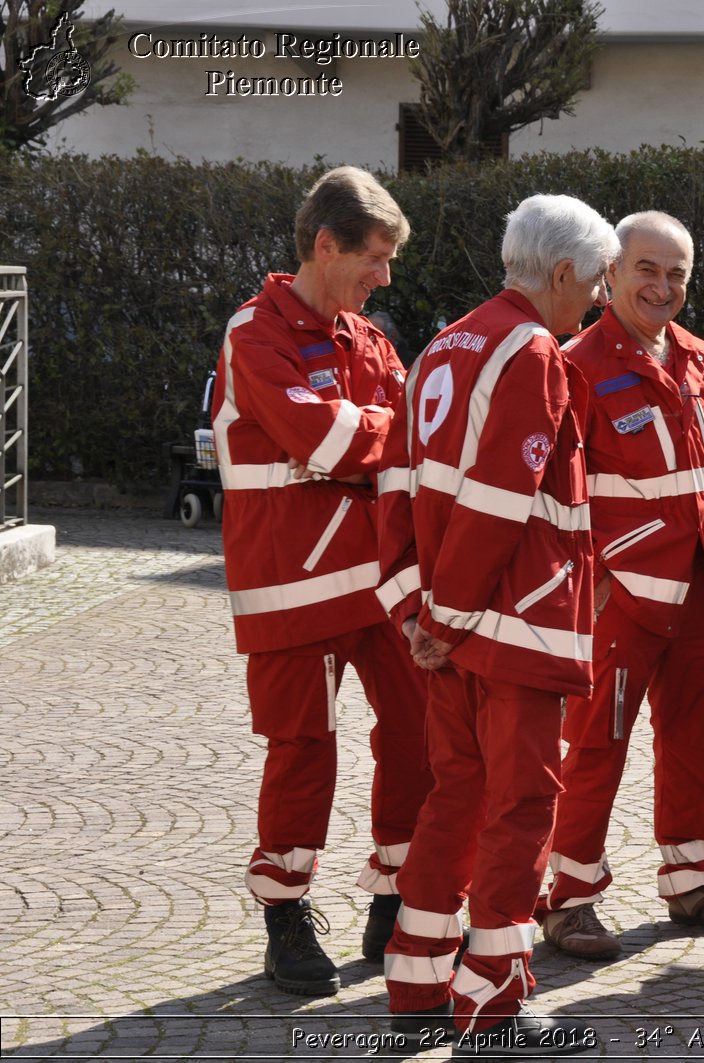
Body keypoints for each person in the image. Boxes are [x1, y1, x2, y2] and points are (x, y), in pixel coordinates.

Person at [375, 194, 618, 1057]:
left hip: (454, 627)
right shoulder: (535, 352)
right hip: (514, 626)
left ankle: (418, 979)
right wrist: (446, 612)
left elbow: (396, 486)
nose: (597, 299)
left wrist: (415, 609)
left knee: (454, 798)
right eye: (594, 282)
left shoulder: (444, 342)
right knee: (519, 809)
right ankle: (495, 1003)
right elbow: (500, 502)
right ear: (560, 273)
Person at [213, 165, 431, 997]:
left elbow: (403, 437)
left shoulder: (365, 336)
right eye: (373, 259)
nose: (384, 278)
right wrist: (369, 438)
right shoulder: (254, 331)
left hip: (376, 577)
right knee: (303, 750)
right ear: (326, 246)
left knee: (418, 732)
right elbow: (330, 438)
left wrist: (361, 439)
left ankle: (396, 896)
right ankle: (285, 916)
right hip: (290, 584)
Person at [539, 211, 704, 959]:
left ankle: (695, 880)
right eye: (647, 269)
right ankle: (568, 899)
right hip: (621, 592)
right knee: (593, 745)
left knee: (699, 740)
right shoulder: (575, 364)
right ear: (610, 273)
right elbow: (558, 493)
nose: (662, 287)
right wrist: (589, 583)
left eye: (676, 274)